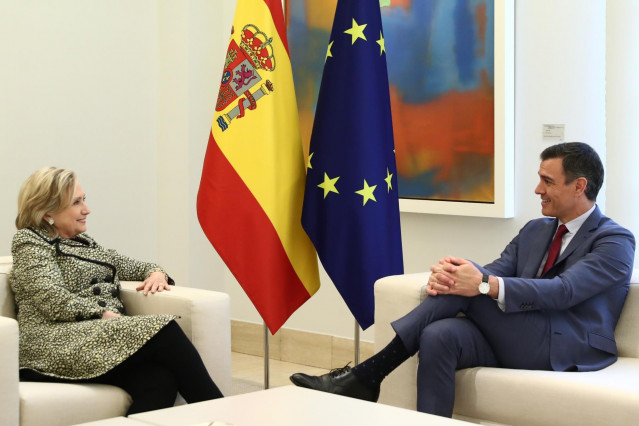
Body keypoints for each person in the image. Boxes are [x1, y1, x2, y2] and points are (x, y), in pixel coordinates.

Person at [290, 142, 635, 417]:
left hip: (567, 347)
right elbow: (498, 268)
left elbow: (564, 291)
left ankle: (367, 375)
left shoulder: (615, 240)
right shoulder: (535, 230)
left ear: (579, 186)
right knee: (439, 335)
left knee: (473, 282)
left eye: (547, 181)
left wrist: (480, 283)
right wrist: (454, 273)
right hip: (521, 334)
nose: (537, 189)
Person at [11, 167, 223, 415]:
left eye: (84, 199)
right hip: (51, 342)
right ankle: (223, 416)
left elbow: (135, 266)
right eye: (76, 203)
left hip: (91, 339)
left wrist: (156, 273)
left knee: (159, 379)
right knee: (164, 330)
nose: (86, 209)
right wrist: (101, 314)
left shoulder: (86, 243)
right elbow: (52, 299)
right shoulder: (29, 242)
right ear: (47, 212)